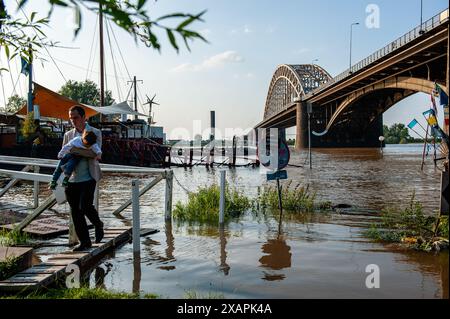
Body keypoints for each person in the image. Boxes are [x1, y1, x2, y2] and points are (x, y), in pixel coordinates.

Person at [64, 105, 104, 252]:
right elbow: (63, 154)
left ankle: (98, 224)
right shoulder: (68, 135)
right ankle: (85, 241)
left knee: (85, 206)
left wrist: (74, 150)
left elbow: (95, 154)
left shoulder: (95, 132)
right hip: (72, 178)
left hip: (89, 176)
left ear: (83, 117)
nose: (73, 121)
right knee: (75, 211)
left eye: (75, 117)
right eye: (71, 118)